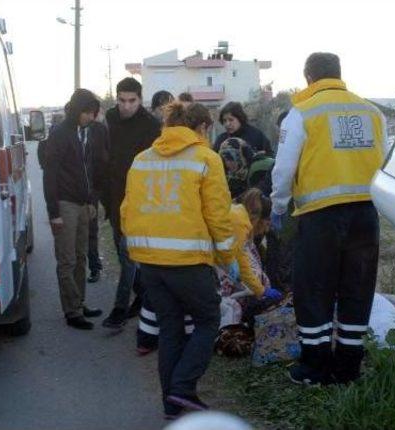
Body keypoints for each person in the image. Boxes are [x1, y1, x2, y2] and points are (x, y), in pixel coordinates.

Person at [270, 52, 386, 385]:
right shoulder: (372, 112)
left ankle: (314, 367)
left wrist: (278, 207)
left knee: (314, 288)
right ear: (338, 74)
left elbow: (283, 169)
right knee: (357, 289)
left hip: (320, 217)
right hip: (366, 213)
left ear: (308, 78)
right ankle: (348, 369)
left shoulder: (302, 113)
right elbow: (385, 161)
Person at [120, 102, 235, 419]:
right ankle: (183, 388)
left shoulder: (142, 160)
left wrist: (138, 250)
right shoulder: (206, 159)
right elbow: (219, 216)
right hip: (188, 261)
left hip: (150, 263)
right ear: (201, 128)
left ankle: (172, 404)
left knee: (170, 329)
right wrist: (228, 257)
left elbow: (127, 210)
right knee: (207, 321)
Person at [135, 188, 282, 354]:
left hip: (165, 248)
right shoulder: (240, 223)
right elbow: (241, 261)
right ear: (259, 219)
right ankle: (186, 347)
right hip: (187, 257)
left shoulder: (233, 210)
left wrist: (258, 288)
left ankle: (146, 341)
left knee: (157, 298)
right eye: (267, 224)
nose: (267, 230)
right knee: (189, 301)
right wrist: (261, 289)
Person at [101, 78, 161, 329]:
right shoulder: (108, 120)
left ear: (140, 99)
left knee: (128, 254)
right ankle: (144, 297)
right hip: (113, 197)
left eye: (132, 101)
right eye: (122, 100)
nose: (126, 106)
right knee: (121, 251)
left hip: (140, 198)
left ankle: (119, 308)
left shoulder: (151, 125)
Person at [43, 89, 104, 330]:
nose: (91, 117)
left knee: (80, 258)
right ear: (78, 110)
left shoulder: (83, 134)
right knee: (67, 260)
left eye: (93, 113)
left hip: (82, 205)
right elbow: (50, 175)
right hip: (65, 205)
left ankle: (79, 303)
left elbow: (87, 172)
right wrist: (54, 213)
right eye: (88, 112)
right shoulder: (59, 135)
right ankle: (72, 311)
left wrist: (91, 201)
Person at [87, 113, 109, 283]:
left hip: (100, 184)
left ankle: (95, 267)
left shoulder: (100, 129)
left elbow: (108, 153)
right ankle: (95, 267)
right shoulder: (75, 131)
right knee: (91, 229)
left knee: (92, 230)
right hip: (90, 186)